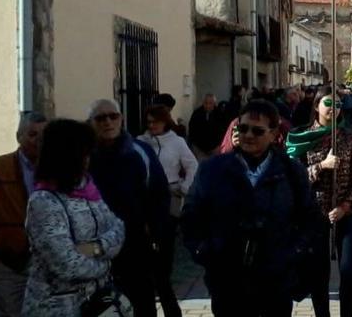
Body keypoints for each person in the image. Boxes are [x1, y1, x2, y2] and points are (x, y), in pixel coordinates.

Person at [182, 99, 321, 316]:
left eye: (257, 131)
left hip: (276, 280)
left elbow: (310, 219)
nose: (248, 135)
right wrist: (205, 251)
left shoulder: (292, 172)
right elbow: (191, 214)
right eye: (243, 128)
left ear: (274, 134)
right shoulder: (213, 170)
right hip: (227, 280)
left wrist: (293, 253)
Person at [23, 119, 127, 316]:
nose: (88, 159)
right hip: (57, 308)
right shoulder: (44, 201)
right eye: (83, 153)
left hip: (96, 302)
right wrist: (105, 264)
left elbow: (118, 228)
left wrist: (96, 247)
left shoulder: (87, 189)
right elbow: (66, 264)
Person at [286, 89, 352, 317]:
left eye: (338, 104)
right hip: (316, 215)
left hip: (346, 213)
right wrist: (321, 166)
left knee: (349, 271)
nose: (334, 108)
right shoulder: (302, 138)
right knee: (318, 275)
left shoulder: (348, 137)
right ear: (316, 106)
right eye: (328, 102)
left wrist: (346, 205)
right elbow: (294, 176)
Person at [88, 99, 171, 317]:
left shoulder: (139, 152)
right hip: (95, 247)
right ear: (91, 122)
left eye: (113, 116)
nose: (108, 122)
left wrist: (155, 232)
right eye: (101, 118)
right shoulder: (84, 156)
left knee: (141, 302)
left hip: (134, 243)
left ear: (121, 119)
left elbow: (159, 194)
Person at [138, 105, 199, 317]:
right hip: (145, 200)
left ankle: (169, 302)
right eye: (149, 121)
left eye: (155, 121)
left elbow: (192, 165)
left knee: (164, 252)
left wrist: (183, 187)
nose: (152, 125)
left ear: (165, 121)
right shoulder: (140, 143)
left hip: (169, 198)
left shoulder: (176, 142)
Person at [0, 111, 47, 316]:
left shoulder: (57, 169)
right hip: (9, 263)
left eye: (43, 135)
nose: (38, 141)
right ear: (18, 137)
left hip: (47, 262)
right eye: (32, 134)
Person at [188, 94, 225, 161]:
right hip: (199, 149)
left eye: (210, 103)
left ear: (214, 103)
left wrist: (219, 145)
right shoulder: (197, 113)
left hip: (215, 148)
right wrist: (195, 145)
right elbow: (192, 129)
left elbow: (224, 130)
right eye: (206, 103)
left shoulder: (220, 113)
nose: (208, 106)